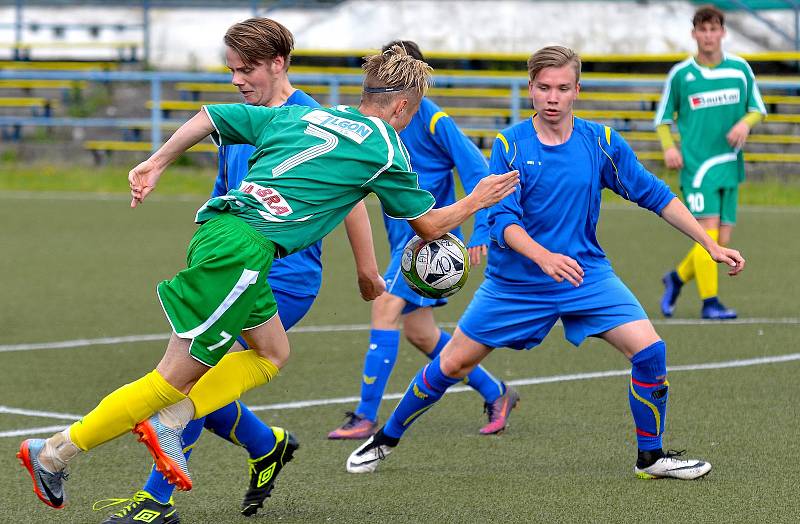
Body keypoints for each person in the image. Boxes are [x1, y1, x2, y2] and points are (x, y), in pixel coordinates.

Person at [18, 45, 520, 513]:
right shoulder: (388, 147)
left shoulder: (309, 113)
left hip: (227, 235)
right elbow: (428, 227)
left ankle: (183, 423)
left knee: (272, 352)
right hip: (243, 249)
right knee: (170, 380)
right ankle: (56, 452)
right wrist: (477, 200)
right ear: (405, 109)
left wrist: (156, 161)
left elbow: (211, 116)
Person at [346, 45, 745, 480]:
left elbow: (655, 195)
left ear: (577, 90)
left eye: (562, 88)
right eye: (543, 88)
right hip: (514, 284)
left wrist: (709, 244)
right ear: (531, 89)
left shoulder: (602, 142)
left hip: (584, 275)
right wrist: (543, 256)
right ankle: (386, 436)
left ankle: (651, 457)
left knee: (650, 351)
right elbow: (503, 221)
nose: (552, 97)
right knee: (451, 365)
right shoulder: (510, 144)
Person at [94, 18, 381, 523]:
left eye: (246, 69)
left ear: (279, 64)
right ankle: (265, 444)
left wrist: (366, 270)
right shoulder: (239, 115)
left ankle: (155, 501)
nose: (236, 79)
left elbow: (354, 200)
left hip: (285, 278)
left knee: (190, 381)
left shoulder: (313, 119)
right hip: (231, 263)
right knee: (200, 375)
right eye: (230, 70)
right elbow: (230, 189)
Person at [328, 40, 518, 441]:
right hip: (402, 235)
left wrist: (482, 229)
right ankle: (496, 392)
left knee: (384, 309)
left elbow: (476, 168)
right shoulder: (377, 121)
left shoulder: (433, 120)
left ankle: (365, 415)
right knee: (421, 333)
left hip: (430, 242)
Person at [656, 5, 765, 320]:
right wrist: (669, 148)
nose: (708, 35)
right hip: (697, 167)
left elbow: (757, 107)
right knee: (709, 236)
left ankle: (676, 278)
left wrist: (745, 123)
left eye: (713, 29)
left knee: (721, 240)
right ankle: (710, 302)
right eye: (702, 30)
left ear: (722, 32)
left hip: (730, 165)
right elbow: (663, 119)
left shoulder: (740, 69)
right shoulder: (681, 75)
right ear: (694, 34)